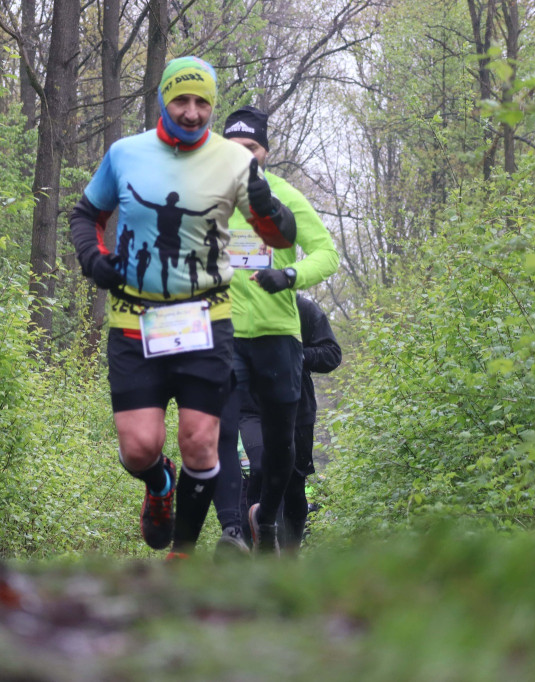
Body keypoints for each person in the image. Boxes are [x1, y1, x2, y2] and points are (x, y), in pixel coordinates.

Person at [68, 58, 297, 560]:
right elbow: (86, 215)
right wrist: (93, 258)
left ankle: (183, 553)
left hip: (205, 321)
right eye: (181, 101)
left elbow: (279, 238)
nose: (192, 112)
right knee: (138, 448)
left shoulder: (234, 160)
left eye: (202, 103)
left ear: (212, 105)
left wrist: (269, 207)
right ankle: (159, 482)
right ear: (163, 100)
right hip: (134, 321)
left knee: (201, 441)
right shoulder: (125, 154)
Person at [211, 105, 339, 557]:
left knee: (283, 450)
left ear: (265, 152)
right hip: (225, 335)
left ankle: (265, 519)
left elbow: (326, 254)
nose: (243, 156)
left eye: (252, 147)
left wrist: (290, 276)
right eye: (234, 148)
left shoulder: (285, 195)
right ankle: (231, 531)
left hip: (278, 336)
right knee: (224, 436)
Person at [236, 294, 341, 553]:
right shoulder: (237, 306)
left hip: (296, 411)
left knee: (294, 487)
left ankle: (291, 558)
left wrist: (295, 355)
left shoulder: (302, 308)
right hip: (251, 409)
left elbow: (332, 354)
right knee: (259, 471)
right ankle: (261, 550)